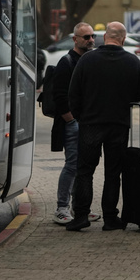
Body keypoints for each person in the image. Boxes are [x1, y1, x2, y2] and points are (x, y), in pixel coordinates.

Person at [65, 22, 140, 232]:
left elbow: (73, 93)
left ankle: (81, 215)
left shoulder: (87, 60)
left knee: (85, 171)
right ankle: (111, 218)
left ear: (105, 37)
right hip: (118, 125)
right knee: (113, 173)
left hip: (90, 124)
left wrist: (80, 116)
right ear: (123, 37)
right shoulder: (132, 61)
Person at [50, 22, 99, 226]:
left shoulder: (89, 60)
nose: (90, 40)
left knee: (82, 166)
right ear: (75, 39)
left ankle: (79, 208)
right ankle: (62, 208)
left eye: (91, 36)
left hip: (87, 122)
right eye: (85, 37)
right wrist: (71, 120)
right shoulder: (67, 61)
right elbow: (59, 96)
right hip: (73, 123)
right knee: (72, 165)